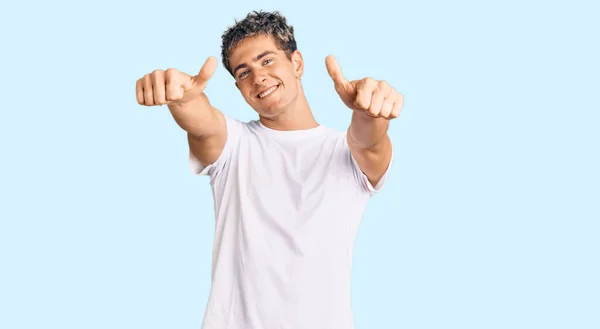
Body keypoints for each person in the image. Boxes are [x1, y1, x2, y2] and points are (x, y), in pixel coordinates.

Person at [135, 10, 403, 329]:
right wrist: (178, 98)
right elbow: (203, 123)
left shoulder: (345, 152)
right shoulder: (233, 144)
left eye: (266, 60)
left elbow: (369, 141)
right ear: (238, 87)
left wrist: (370, 112)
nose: (258, 77)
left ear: (297, 63)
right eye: (243, 72)